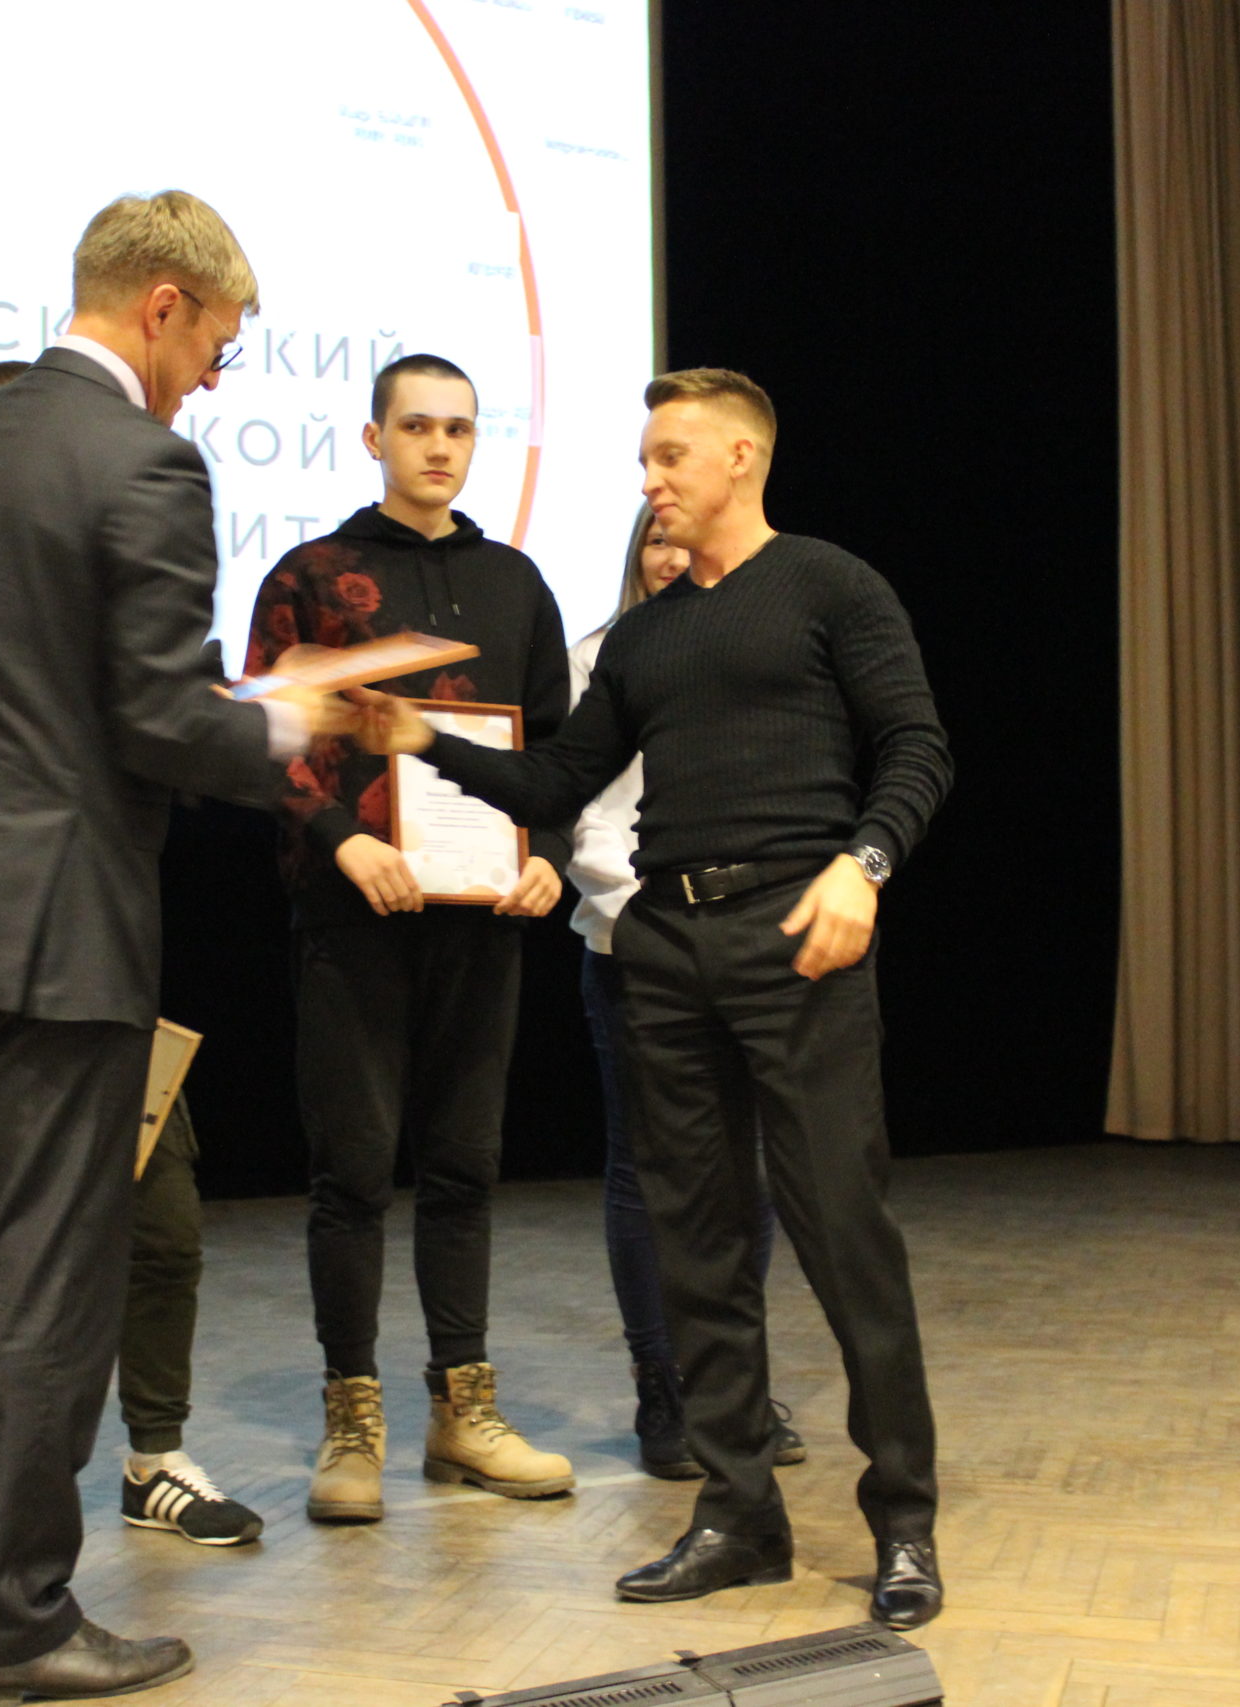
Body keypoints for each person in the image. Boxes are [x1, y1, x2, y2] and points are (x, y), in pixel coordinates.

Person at [0, 190, 336, 1707]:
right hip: (59, 929)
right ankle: (15, 1622)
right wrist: (288, 720)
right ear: (163, 303)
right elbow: (157, 716)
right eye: (219, 342)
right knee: (45, 1274)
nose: (213, 377)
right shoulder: (143, 461)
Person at [357, 368, 953, 1631]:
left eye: (669, 456)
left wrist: (864, 864)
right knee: (698, 1245)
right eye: (644, 459)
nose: (649, 481)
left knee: (844, 1236)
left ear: (740, 457)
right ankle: (738, 1516)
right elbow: (556, 783)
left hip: (796, 934)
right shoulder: (644, 637)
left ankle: (903, 1522)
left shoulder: (831, 585)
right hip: (664, 950)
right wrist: (420, 742)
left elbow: (917, 745)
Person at [0, 359, 263, 1552]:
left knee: (154, 1222)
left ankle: (143, 1462)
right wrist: (270, 730)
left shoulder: (79, 590)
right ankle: (0, 1554)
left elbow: (156, 722)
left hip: (71, 945)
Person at [244, 353, 576, 1525]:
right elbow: (266, 736)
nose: (440, 447)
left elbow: (559, 751)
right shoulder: (309, 575)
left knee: (465, 1165)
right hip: (355, 914)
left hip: (481, 918)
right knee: (352, 1171)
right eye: (419, 426)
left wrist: (546, 852)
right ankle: (352, 1423)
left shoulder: (513, 582)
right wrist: (341, 838)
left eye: (460, 429)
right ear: (374, 437)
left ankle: (461, 1413)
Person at [567, 505, 804, 1483]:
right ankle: (662, 1386)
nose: (669, 557)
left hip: (745, 944)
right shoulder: (596, 660)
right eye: (653, 542)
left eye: (684, 540)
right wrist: (647, 917)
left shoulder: (757, 656)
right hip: (634, 941)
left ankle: (729, 1384)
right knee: (645, 1169)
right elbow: (583, 814)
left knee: (747, 1167)